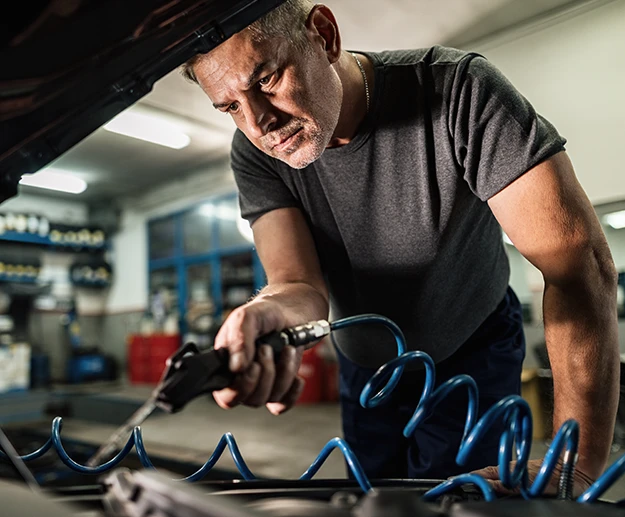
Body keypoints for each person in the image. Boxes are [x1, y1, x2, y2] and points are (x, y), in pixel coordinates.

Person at [181, 0, 619, 493]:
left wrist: (577, 462)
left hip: (471, 347)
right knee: (379, 502)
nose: (259, 124)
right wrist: (269, 312)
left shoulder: (458, 90)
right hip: (366, 363)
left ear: (323, 35)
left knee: (467, 502)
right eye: (230, 107)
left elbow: (578, 265)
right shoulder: (255, 154)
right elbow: (298, 284)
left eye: (265, 81)